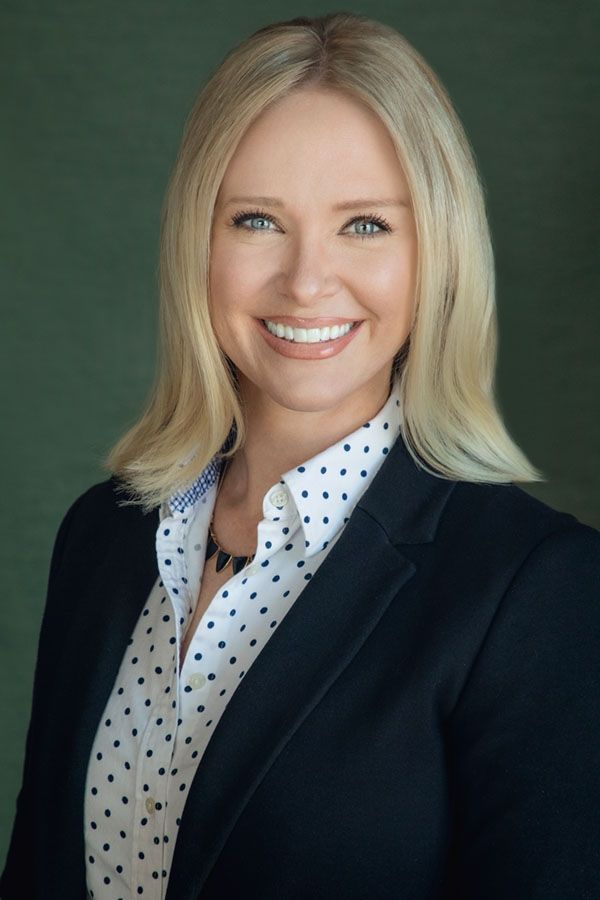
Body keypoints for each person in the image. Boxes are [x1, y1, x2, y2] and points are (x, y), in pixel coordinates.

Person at [2, 11, 599, 900]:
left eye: (365, 225)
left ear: (436, 254)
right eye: (256, 220)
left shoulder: (539, 591)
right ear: (196, 242)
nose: (307, 281)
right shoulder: (101, 536)